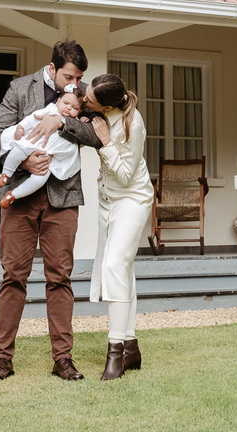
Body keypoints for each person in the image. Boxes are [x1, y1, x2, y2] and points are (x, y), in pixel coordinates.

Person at [0, 40, 101, 383]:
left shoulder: (83, 95)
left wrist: (61, 125)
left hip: (62, 199)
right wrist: (27, 158)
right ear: (52, 68)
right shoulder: (20, 89)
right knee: (13, 276)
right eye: (68, 75)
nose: (73, 83)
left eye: (79, 77)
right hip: (19, 195)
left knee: (60, 278)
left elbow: (96, 136)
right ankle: (2, 359)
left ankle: (62, 359)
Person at [84, 72, 154, 380]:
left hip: (132, 200)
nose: (86, 100)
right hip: (108, 203)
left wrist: (107, 142)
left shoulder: (132, 124)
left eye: (90, 100)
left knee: (114, 265)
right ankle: (131, 347)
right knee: (123, 268)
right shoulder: (102, 109)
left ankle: (115, 352)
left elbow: (126, 175)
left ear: (108, 104)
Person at [0, 85, 85, 209]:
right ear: (58, 101)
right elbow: (32, 118)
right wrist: (21, 127)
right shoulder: (50, 110)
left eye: (74, 107)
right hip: (34, 143)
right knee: (17, 151)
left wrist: (81, 121)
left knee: (39, 180)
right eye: (66, 103)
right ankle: (5, 174)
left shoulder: (76, 122)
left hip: (49, 158)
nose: (68, 108)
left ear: (79, 111)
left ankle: (13, 195)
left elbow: (86, 132)